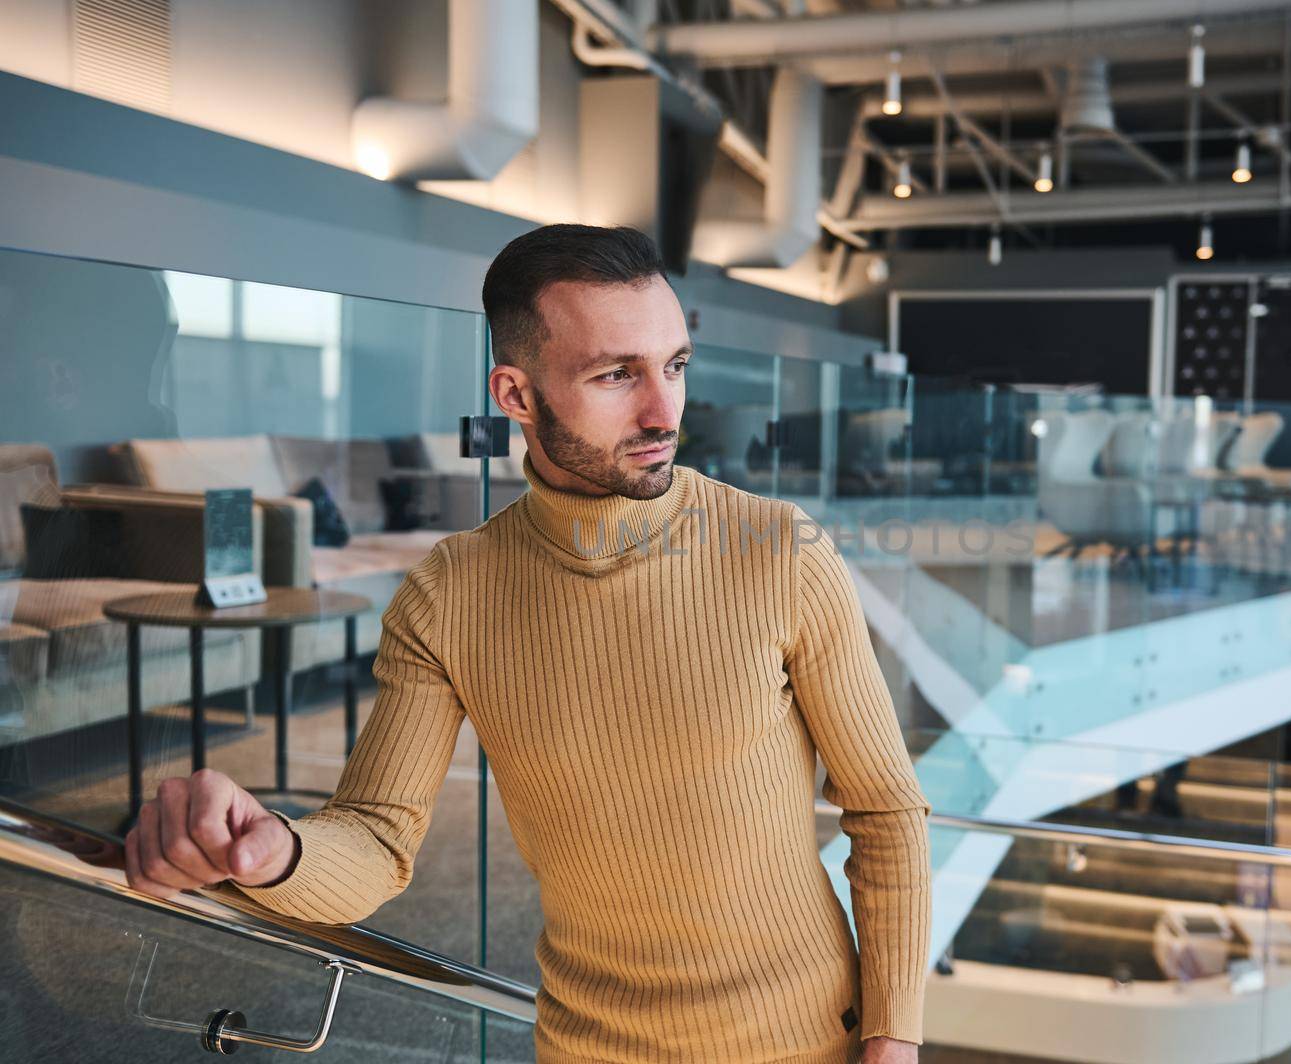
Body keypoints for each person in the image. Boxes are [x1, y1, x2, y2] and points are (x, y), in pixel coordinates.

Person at [122, 225, 932, 1064]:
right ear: (515, 393)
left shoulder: (778, 548)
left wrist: (893, 1038)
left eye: (675, 366)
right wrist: (274, 848)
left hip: (808, 1044)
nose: (663, 412)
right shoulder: (451, 591)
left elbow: (886, 811)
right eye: (617, 374)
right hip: (586, 1049)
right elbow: (374, 839)